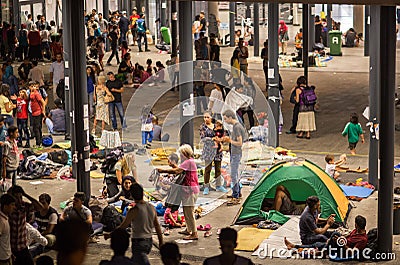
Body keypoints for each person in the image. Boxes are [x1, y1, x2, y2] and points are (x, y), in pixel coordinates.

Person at [106, 183, 163, 265]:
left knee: (141, 261)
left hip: (138, 242)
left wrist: (110, 235)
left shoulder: (134, 210)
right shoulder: (151, 207)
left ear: (132, 195)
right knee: (136, 260)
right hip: (149, 241)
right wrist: (161, 241)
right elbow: (157, 225)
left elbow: (123, 226)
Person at [157, 144, 199, 240]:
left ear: (185, 153)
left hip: (190, 190)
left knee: (189, 212)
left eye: (181, 153)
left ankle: (194, 233)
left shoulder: (189, 162)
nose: (180, 155)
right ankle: (189, 229)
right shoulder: (189, 162)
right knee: (186, 211)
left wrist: (162, 170)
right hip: (187, 190)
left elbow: (177, 171)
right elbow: (179, 170)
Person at [285, 215, 368, 259]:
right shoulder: (356, 231)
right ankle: (294, 246)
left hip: (342, 251)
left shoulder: (362, 239)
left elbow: (352, 252)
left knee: (327, 239)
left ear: (356, 225)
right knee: (320, 243)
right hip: (339, 244)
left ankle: (323, 251)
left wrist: (342, 243)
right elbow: (347, 237)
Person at [7, 185, 44, 265]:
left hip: (22, 246)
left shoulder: (24, 206)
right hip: (10, 247)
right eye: (16, 197)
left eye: (21, 197)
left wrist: (26, 194)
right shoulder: (7, 209)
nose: (19, 200)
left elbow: (40, 207)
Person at [222, 110, 247, 206]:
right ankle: (237, 192)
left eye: (225, 119)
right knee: (235, 173)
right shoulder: (237, 126)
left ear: (230, 117)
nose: (225, 121)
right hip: (234, 152)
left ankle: (236, 196)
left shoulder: (236, 127)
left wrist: (229, 140)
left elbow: (239, 143)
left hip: (236, 153)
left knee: (233, 174)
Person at [199, 111, 226, 196]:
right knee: (208, 169)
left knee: (218, 168)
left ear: (211, 117)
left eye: (208, 117)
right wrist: (212, 139)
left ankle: (218, 185)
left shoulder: (216, 126)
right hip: (208, 150)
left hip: (217, 150)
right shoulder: (203, 127)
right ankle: (206, 186)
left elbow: (222, 135)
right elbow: (203, 138)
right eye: (204, 117)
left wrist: (220, 141)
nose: (206, 119)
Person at [29, 81, 46, 147]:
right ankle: (39, 142)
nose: (33, 87)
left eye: (34, 86)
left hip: (38, 113)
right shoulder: (31, 93)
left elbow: (43, 102)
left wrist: (43, 111)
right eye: (31, 86)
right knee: (36, 128)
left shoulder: (37, 94)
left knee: (36, 128)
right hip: (33, 113)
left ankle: (38, 143)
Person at [0, 194, 16, 265]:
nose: (14, 207)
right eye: (12, 205)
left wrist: (10, 253)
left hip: (7, 256)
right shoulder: (1, 221)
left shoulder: (5, 218)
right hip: (2, 259)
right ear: (5, 206)